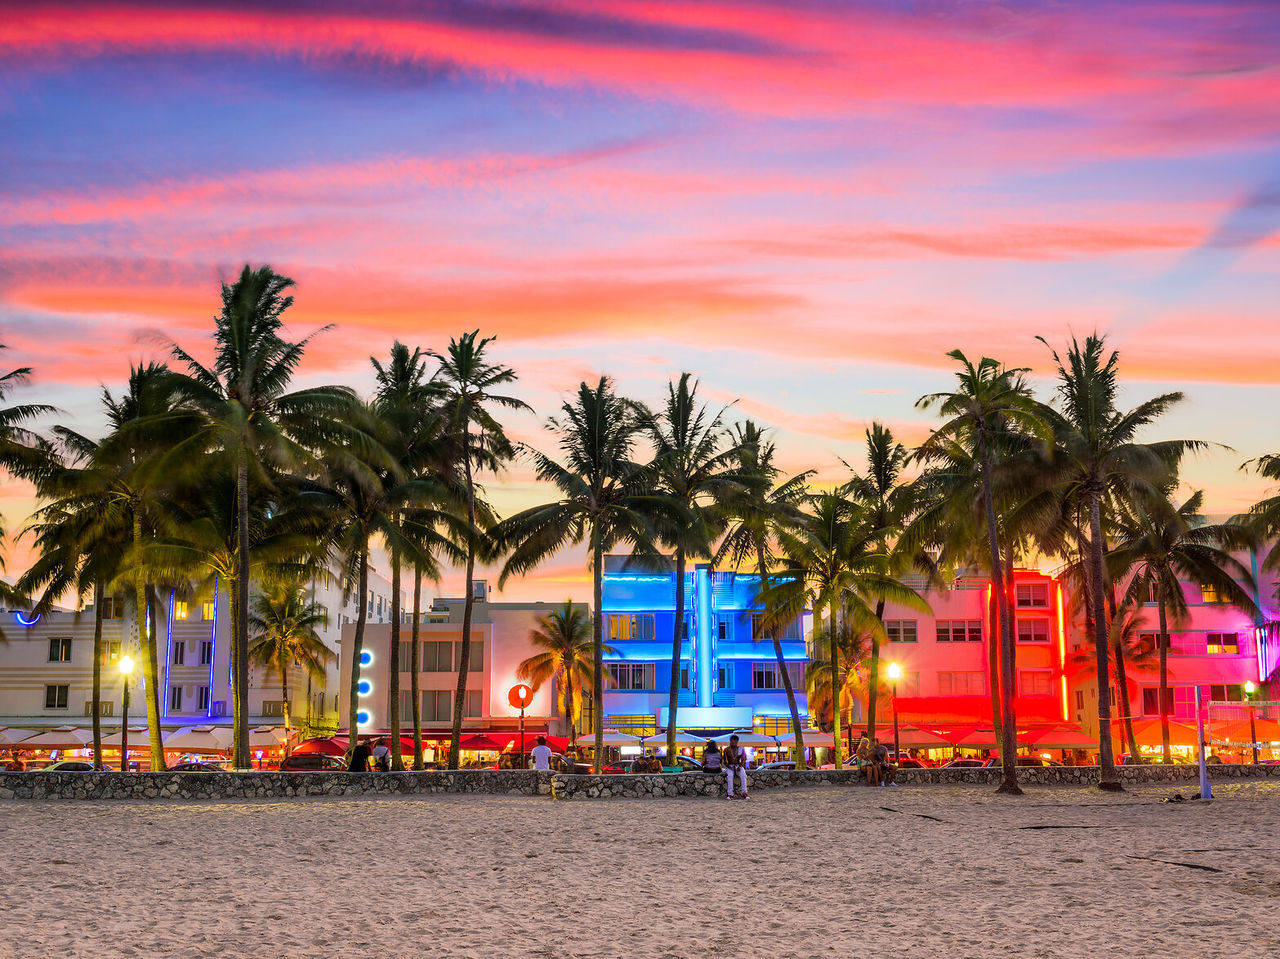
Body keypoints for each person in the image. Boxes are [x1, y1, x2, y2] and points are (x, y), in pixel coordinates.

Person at [723, 734, 749, 800]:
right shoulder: (726, 750)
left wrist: (740, 767)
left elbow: (743, 759)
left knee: (743, 775)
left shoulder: (741, 749)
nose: (734, 743)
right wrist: (729, 767)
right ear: (730, 741)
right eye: (733, 741)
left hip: (738, 765)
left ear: (737, 742)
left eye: (735, 741)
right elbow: (725, 761)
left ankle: (744, 793)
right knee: (730, 776)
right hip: (730, 766)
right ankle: (730, 794)